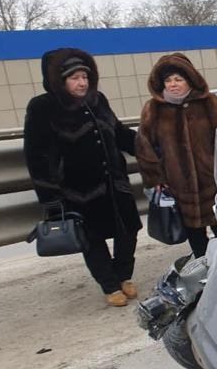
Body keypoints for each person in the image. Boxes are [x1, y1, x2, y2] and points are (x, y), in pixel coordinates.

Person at [23, 48, 143, 307]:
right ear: (60, 80)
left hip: (115, 182)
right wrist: (50, 198)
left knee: (129, 230)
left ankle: (124, 276)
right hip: (76, 189)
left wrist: (148, 145)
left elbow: (119, 132)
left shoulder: (97, 99)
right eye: (75, 78)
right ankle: (110, 285)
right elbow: (36, 155)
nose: (82, 83)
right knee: (92, 239)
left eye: (85, 77)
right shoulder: (42, 107)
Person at [135, 53, 217, 258]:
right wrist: (155, 179)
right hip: (178, 186)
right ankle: (205, 272)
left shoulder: (209, 103)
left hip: (213, 183)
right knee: (196, 239)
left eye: (178, 79)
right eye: (168, 80)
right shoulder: (153, 109)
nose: (173, 84)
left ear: (189, 80)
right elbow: (144, 147)